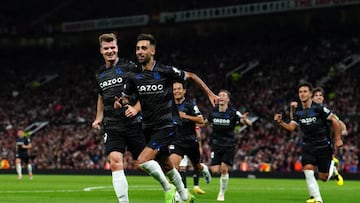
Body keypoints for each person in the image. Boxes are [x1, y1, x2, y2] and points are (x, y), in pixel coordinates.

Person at [115, 33, 218, 203]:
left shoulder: (165, 71)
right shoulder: (133, 76)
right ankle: (185, 196)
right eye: (137, 48)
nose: (140, 51)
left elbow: (191, 76)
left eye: (144, 48)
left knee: (142, 161)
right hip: (148, 126)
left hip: (168, 124)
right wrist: (120, 102)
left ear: (152, 51)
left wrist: (210, 93)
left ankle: (168, 190)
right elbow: (126, 97)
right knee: (167, 165)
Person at [92, 33, 145, 203]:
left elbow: (146, 90)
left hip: (134, 123)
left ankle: (170, 186)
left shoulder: (130, 66)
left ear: (117, 48)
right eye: (106, 48)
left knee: (142, 165)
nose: (110, 51)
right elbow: (101, 97)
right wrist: (98, 118)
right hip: (112, 125)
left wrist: (136, 108)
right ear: (101, 50)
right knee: (115, 162)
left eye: (112, 47)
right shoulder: (99, 73)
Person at [274, 81, 343, 203]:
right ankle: (318, 199)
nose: (302, 94)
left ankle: (332, 166)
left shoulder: (319, 108)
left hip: (323, 145)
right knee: (308, 170)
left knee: (324, 178)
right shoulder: (298, 112)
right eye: (300, 92)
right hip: (308, 146)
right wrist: (280, 122)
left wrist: (338, 139)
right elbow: (291, 127)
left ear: (310, 94)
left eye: (305, 91)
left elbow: (335, 121)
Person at [206, 89, 252, 201]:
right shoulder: (213, 112)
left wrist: (245, 121)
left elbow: (249, 124)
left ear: (228, 99)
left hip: (229, 144)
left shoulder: (234, 112)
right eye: (219, 95)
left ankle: (221, 193)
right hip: (216, 144)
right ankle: (204, 170)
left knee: (224, 169)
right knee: (215, 170)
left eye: (223, 95)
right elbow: (204, 123)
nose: (221, 97)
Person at [170, 81, 211, 201]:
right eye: (174, 89)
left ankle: (204, 169)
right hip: (176, 141)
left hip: (190, 141)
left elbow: (201, 120)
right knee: (173, 168)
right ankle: (180, 194)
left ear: (184, 91)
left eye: (179, 89)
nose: (176, 91)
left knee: (197, 167)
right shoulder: (169, 105)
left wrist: (185, 116)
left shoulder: (190, 104)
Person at [178, 126, 207, 195]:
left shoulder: (191, 120)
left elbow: (198, 135)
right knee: (182, 166)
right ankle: (185, 189)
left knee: (195, 164)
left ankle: (196, 186)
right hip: (181, 144)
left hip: (191, 144)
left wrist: (199, 147)